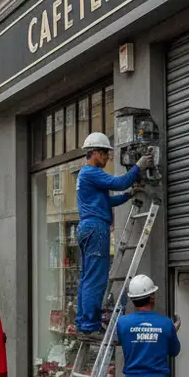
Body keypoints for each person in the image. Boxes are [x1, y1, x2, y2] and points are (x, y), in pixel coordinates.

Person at [75, 132, 148, 335]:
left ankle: (84, 323)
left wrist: (128, 195)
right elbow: (119, 182)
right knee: (96, 278)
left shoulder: (86, 176)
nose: (108, 158)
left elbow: (109, 201)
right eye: (106, 153)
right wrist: (139, 166)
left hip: (87, 226)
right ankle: (90, 325)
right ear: (95, 153)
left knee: (87, 277)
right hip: (96, 228)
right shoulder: (91, 172)